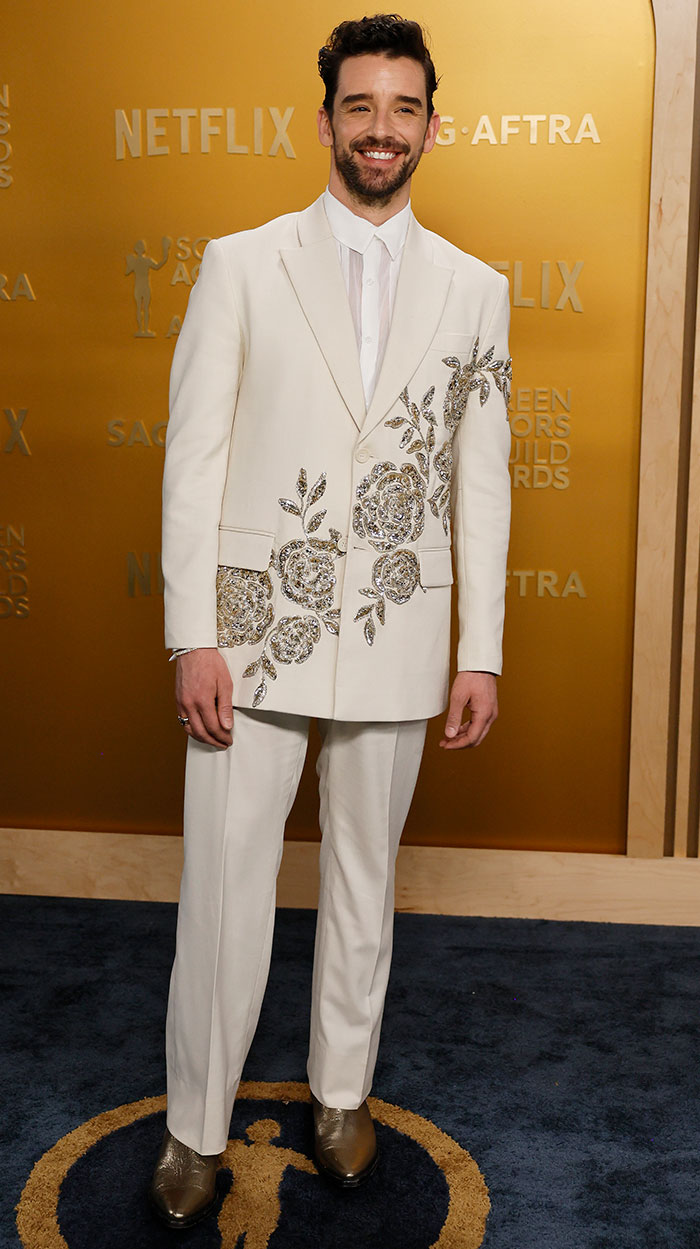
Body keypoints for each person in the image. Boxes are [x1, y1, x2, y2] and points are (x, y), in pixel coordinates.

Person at [150, 13, 512, 1229]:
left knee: (366, 876)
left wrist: (480, 650)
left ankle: (342, 1094)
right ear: (325, 121)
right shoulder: (240, 262)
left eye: (402, 108)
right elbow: (191, 458)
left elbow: (483, 482)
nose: (380, 129)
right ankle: (195, 1130)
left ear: (430, 124)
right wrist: (189, 630)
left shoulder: (478, 290)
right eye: (359, 107)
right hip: (251, 639)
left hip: (403, 640)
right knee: (223, 888)